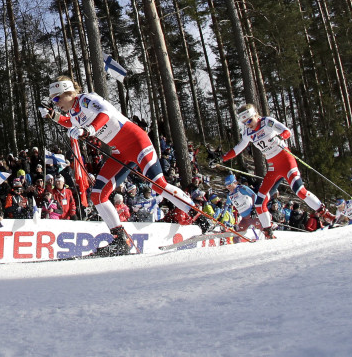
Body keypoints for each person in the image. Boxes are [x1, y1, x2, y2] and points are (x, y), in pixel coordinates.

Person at [48, 76, 197, 257]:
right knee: (98, 195)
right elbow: (69, 122)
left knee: (158, 184)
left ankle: (199, 216)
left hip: (137, 142)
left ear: (69, 93)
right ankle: (120, 240)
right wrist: (52, 115)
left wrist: (88, 131)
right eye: (53, 101)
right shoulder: (73, 112)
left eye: (57, 99)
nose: (56, 104)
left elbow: (105, 114)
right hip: (120, 153)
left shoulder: (86, 99)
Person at [222, 104, 334, 238]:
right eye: (244, 122)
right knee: (259, 203)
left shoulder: (267, 122)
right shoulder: (247, 133)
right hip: (273, 168)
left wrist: (281, 138)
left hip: (286, 161)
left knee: (299, 190)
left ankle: (326, 215)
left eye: (250, 120)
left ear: (256, 115)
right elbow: (238, 149)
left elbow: (287, 131)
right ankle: (268, 232)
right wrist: (222, 158)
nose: (248, 124)